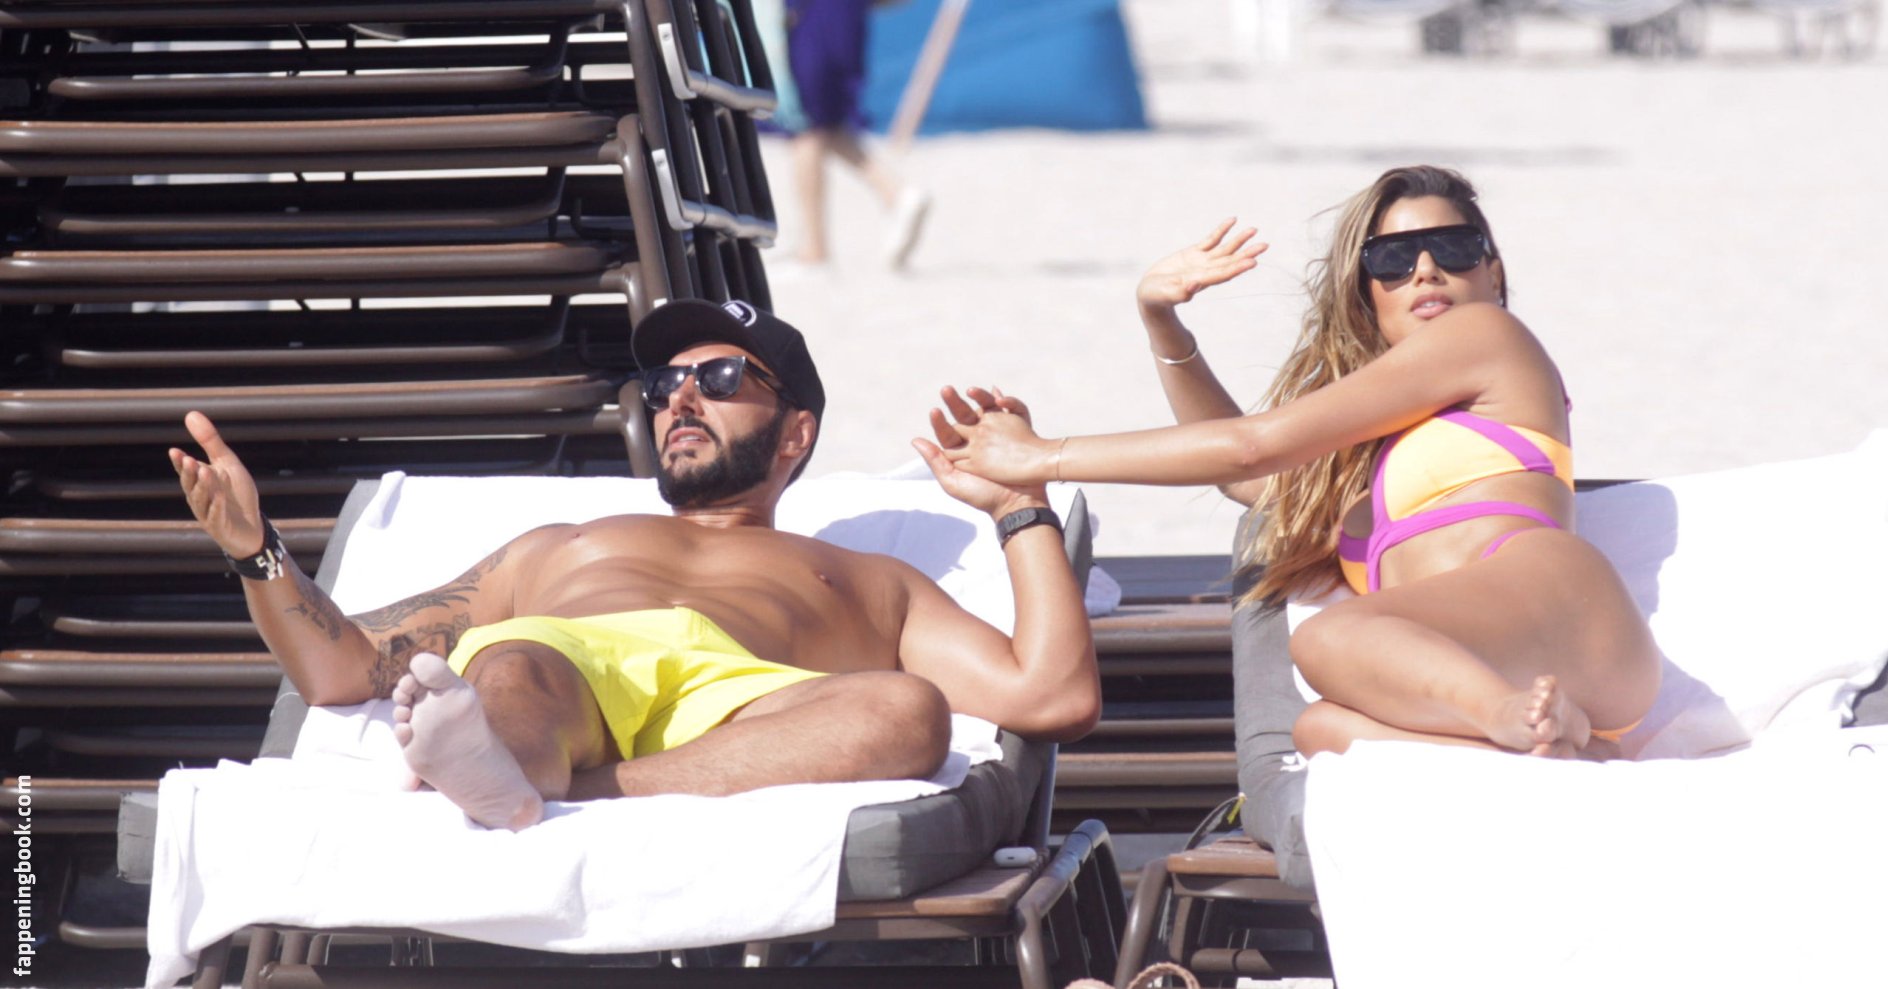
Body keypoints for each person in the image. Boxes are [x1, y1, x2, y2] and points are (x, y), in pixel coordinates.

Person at [169, 298, 1098, 831]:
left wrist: (1020, 503)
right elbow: (343, 668)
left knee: (909, 709)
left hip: (749, 703)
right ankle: (506, 760)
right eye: (663, 385)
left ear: (796, 433)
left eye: (719, 379)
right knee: (513, 665)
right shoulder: (560, 545)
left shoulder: (866, 579)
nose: (680, 398)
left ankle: (530, 788)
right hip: (577, 662)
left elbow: (1052, 696)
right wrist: (259, 551)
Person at [924, 165, 1660, 759]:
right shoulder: (1370, 464)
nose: (1426, 270)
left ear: (1493, 273)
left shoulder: (1488, 336)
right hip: (1501, 661)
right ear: (1367, 295)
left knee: (1330, 639)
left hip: (1557, 612)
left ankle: (1508, 719)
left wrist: (1043, 457)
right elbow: (1245, 474)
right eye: (1393, 259)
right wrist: (1162, 321)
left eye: (1455, 247)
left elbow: (1255, 443)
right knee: (1320, 729)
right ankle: (1565, 746)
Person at [783, 0, 931, 270]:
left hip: (811, 18)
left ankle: (814, 251)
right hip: (843, 19)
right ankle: (896, 194)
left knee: (806, 129)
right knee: (825, 124)